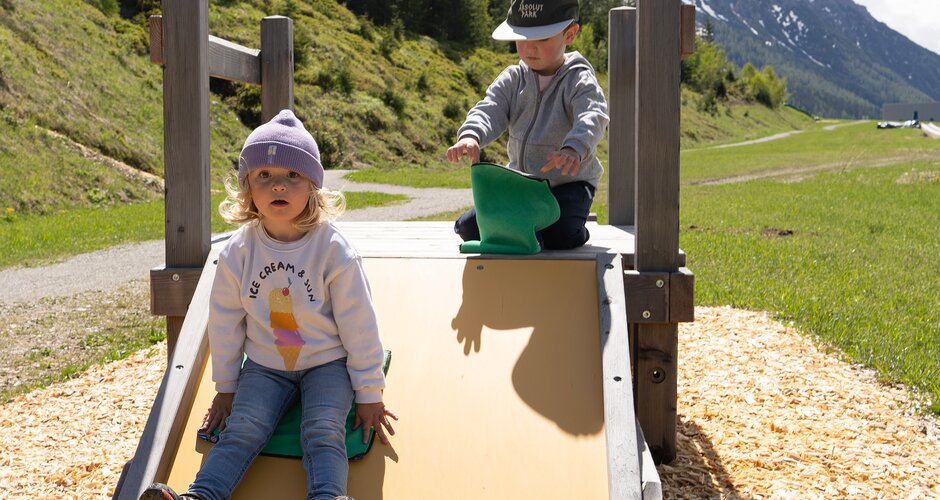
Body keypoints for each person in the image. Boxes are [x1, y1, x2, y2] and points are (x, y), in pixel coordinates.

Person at [142, 109, 396, 500]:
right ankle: (200, 496)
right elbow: (225, 325)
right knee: (243, 428)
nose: (278, 185)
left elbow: (360, 325)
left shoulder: (333, 251)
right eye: (264, 176)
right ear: (248, 189)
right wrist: (226, 387)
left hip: (327, 362)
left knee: (324, 428)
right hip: (265, 365)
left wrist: (369, 393)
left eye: (292, 175)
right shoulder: (238, 253)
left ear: (312, 185)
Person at [446, 0, 608, 250]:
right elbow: (490, 107)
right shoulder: (513, 78)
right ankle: (531, 231)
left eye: (541, 39)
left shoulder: (578, 79)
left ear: (570, 34)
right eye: (521, 39)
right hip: (522, 184)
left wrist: (574, 148)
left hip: (568, 185)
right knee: (469, 228)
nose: (529, 49)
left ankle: (570, 229)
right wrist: (471, 134)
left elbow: (593, 114)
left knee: (562, 234)